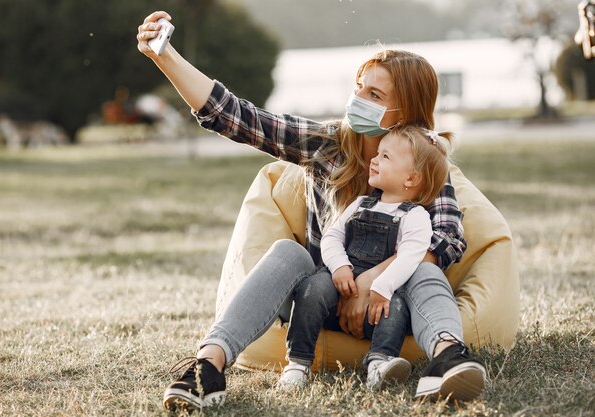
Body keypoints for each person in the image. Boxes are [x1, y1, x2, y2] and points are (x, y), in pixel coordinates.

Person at [136, 10, 487, 410]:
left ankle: (448, 357)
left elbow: (448, 238)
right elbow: (236, 115)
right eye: (359, 88)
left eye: (375, 95)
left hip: (390, 309)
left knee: (424, 267)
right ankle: (207, 368)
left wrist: (374, 280)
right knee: (289, 252)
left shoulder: (424, 163)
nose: (359, 100)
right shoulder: (326, 144)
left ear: (404, 113)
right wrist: (165, 57)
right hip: (317, 299)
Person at [278, 125, 453, 392]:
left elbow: (410, 257)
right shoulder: (360, 204)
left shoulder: (416, 217)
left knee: (395, 309)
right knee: (313, 288)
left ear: (411, 179)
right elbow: (332, 237)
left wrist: (381, 288)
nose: (374, 159)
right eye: (378, 153)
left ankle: (379, 362)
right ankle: (297, 364)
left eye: (386, 157)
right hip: (340, 285)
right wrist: (339, 267)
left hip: (379, 301)